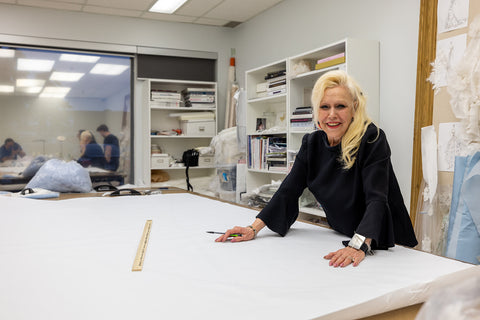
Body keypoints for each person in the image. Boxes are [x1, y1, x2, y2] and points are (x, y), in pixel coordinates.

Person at [216, 70, 418, 267]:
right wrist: (253, 228)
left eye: (340, 106)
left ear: (354, 108)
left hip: (379, 239)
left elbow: (376, 199)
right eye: (324, 107)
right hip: (344, 232)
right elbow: (288, 190)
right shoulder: (312, 143)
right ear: (316, 111)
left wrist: (357, 246)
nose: (332, 115)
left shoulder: (372, 138)